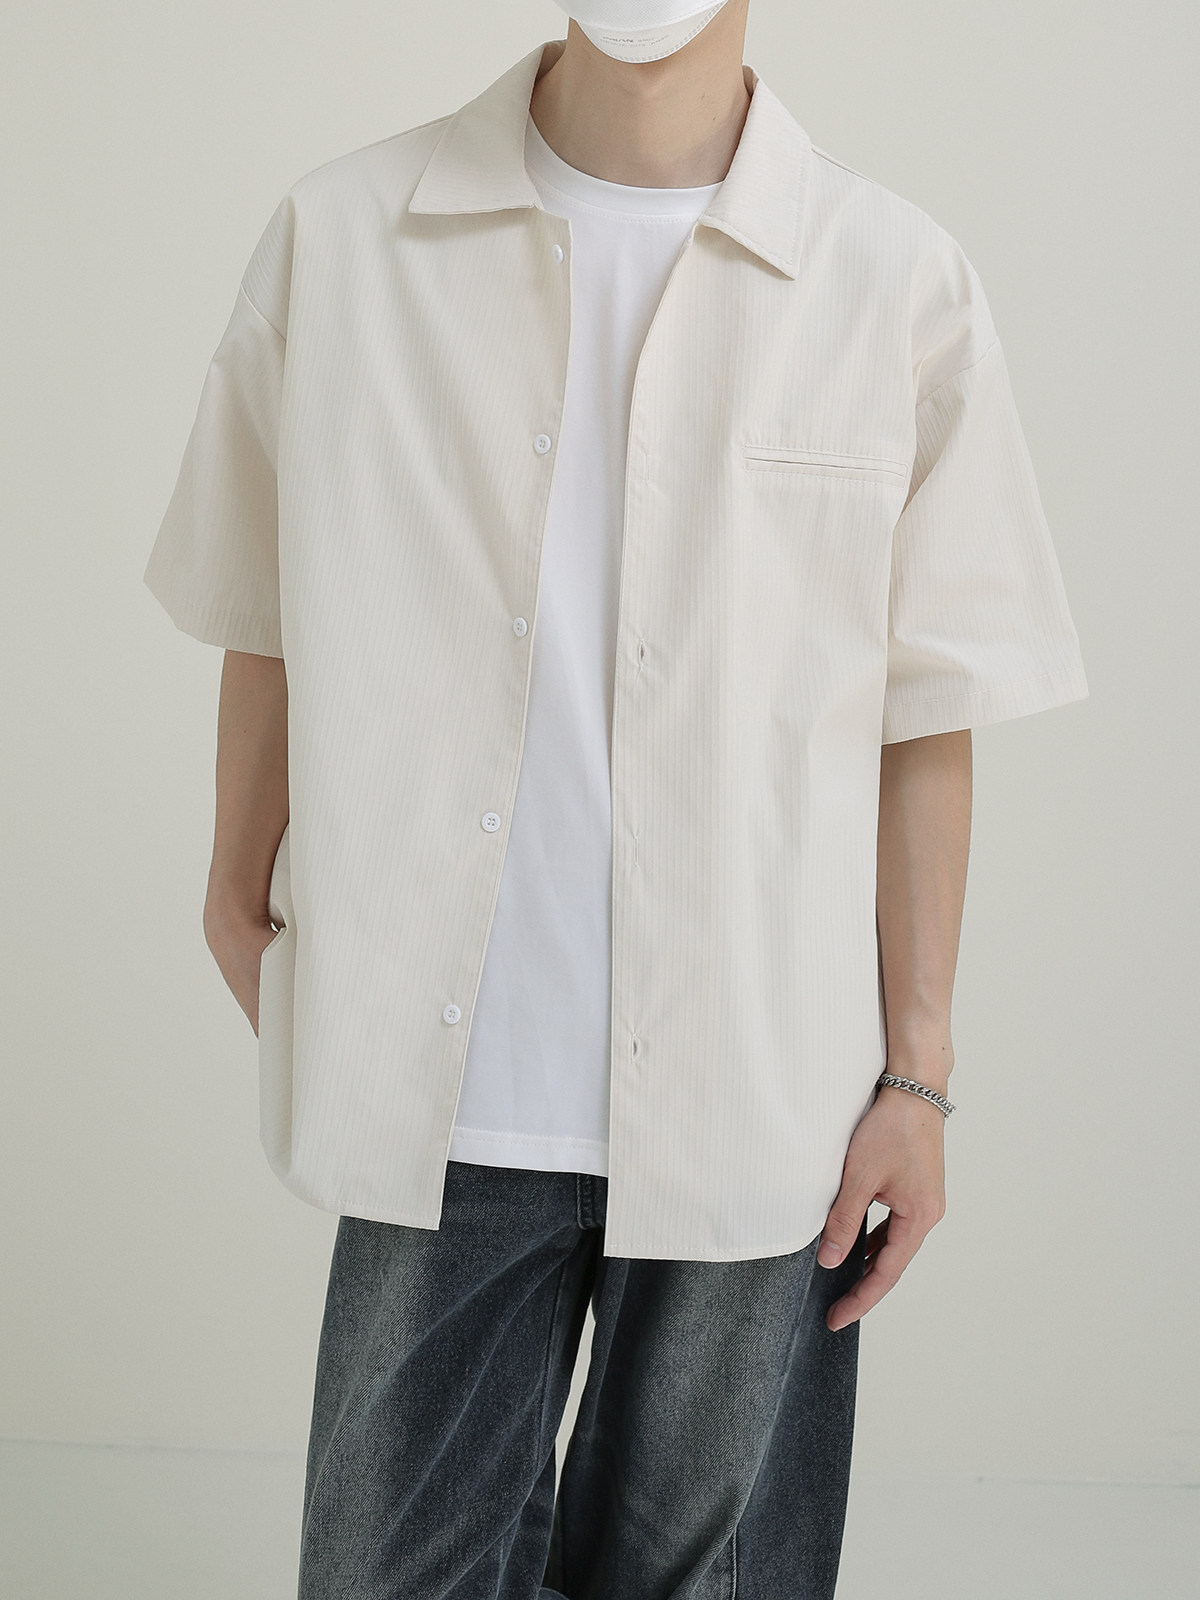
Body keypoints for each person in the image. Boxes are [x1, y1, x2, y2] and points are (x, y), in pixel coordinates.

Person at [142, 1, 1089, 1594]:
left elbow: (925, 714)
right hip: (451, 1097)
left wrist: (917, 1077)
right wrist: (238, 881)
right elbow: (267, 599)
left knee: (702, 1578)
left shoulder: (892, 278)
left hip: (763, 1103)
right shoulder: (344, 238)